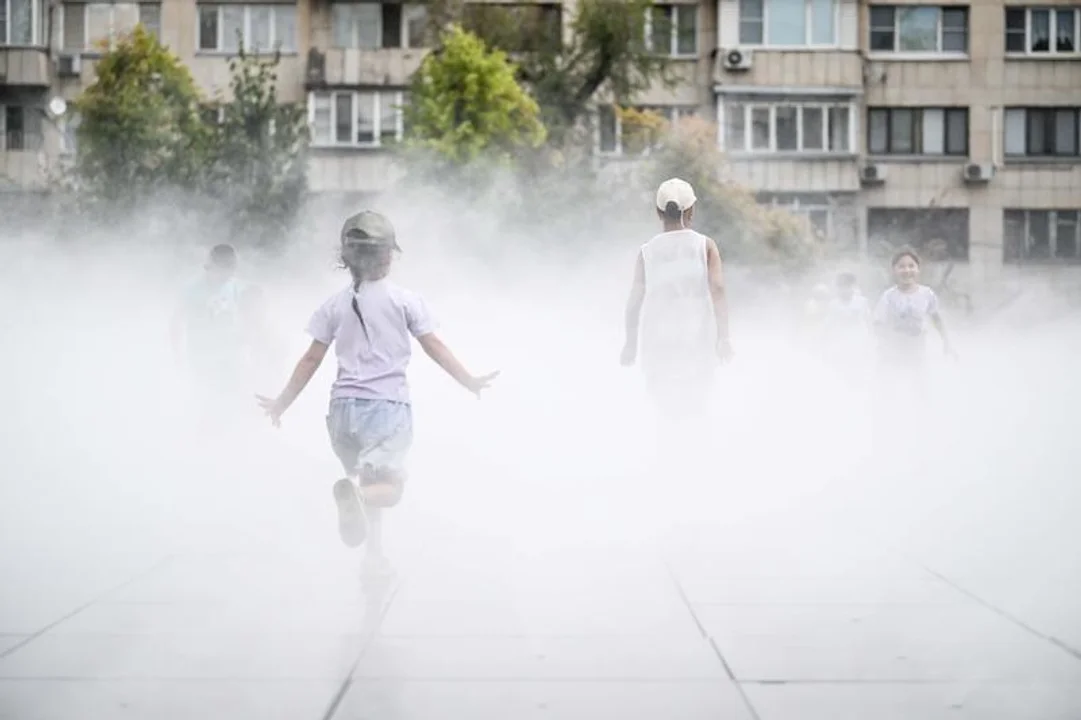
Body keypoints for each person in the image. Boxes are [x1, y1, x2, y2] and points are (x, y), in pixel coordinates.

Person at [256, 211, 498, 573]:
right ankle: (356, 496)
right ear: (388, 255)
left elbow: (310, 360)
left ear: (346, 258)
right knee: (389, 487)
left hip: (342, 413)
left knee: (367, 485)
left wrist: (281, 403)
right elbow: (434, 347)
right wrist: (469, 380)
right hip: (386, 409)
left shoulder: (333, 305)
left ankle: (374, 554)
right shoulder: (404, 300)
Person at [620, 178, 732, 426]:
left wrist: (630, 344)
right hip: (697, 342)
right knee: (696, 410)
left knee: (664, 412)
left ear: (658, 212)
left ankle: (666, 446)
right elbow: (718, 289)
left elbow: (635, 300)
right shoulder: (705, 246)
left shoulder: (647, 252)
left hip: (658, 345)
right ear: (691, 211)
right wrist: (723, 338)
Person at [172, 243, 269, 420]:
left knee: (236, 403)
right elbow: (177, 322)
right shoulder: (191, 290)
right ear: (210, 267)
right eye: (222, 271)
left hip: (233, 356)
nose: (226, 276)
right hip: (202, 356)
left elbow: (255, 319)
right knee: (207, 403)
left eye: (230, 272)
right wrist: (177, 356)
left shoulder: (237, 287)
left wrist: (256, 347)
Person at [873, 248, 955, 397]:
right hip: (895, 347)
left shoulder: (926, 294)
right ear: (894, 270)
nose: (907, 270)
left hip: (918, 347)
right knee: (892, 385)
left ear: (918, 269)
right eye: (902, 266)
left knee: (919, 384)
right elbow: (878, 323)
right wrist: (884, 344)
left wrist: (946, 341)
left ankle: (921, 407)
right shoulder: (889, 296)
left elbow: (936, 319)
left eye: (911, 266)